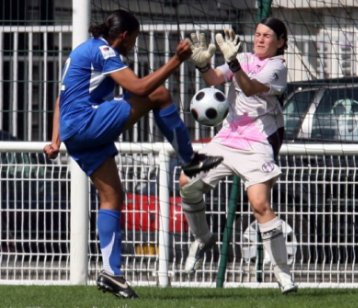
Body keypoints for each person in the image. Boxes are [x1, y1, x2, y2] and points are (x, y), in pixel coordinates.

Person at [43, 10, 223, 299]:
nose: (134, 45)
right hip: (87, 123)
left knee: (112, 197)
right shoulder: (103, 50)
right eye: (135, 39)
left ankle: (112, 274)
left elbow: (60, 100)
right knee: (159, 95)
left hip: (76, 133)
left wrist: (55, 141)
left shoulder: (82, 51)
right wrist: (177, 59)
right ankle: (190, 160)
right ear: (124, 36)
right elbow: (139, 87)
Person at [181, 17, 297, 294]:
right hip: (227, 138)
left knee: (259, 204)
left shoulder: (278, 67)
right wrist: (203, 64)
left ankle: (283, 274)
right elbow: (214, 79)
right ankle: (203, 238)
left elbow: (249, 87)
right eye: (257, 34)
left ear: (280, 42)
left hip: (257, 142)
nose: (259, 39)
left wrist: (233, 63)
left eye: (267, 36)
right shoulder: (243, 56)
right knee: (187, 184)